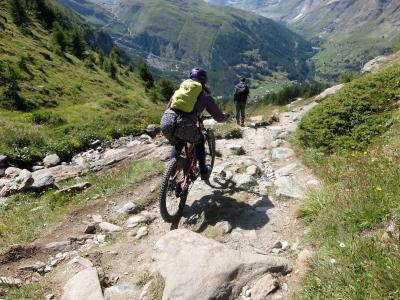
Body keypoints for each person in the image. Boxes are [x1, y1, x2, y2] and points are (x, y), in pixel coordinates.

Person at [160, 68, 229, 180]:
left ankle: (170, 176)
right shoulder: (205, 95)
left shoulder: (179, 91)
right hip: (185, 124)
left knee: (178, 143)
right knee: (200, 140)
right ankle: (203, 171)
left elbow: (168, 107)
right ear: (204, 81)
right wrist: (225, 118)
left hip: (166, 121)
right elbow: (218, 117)